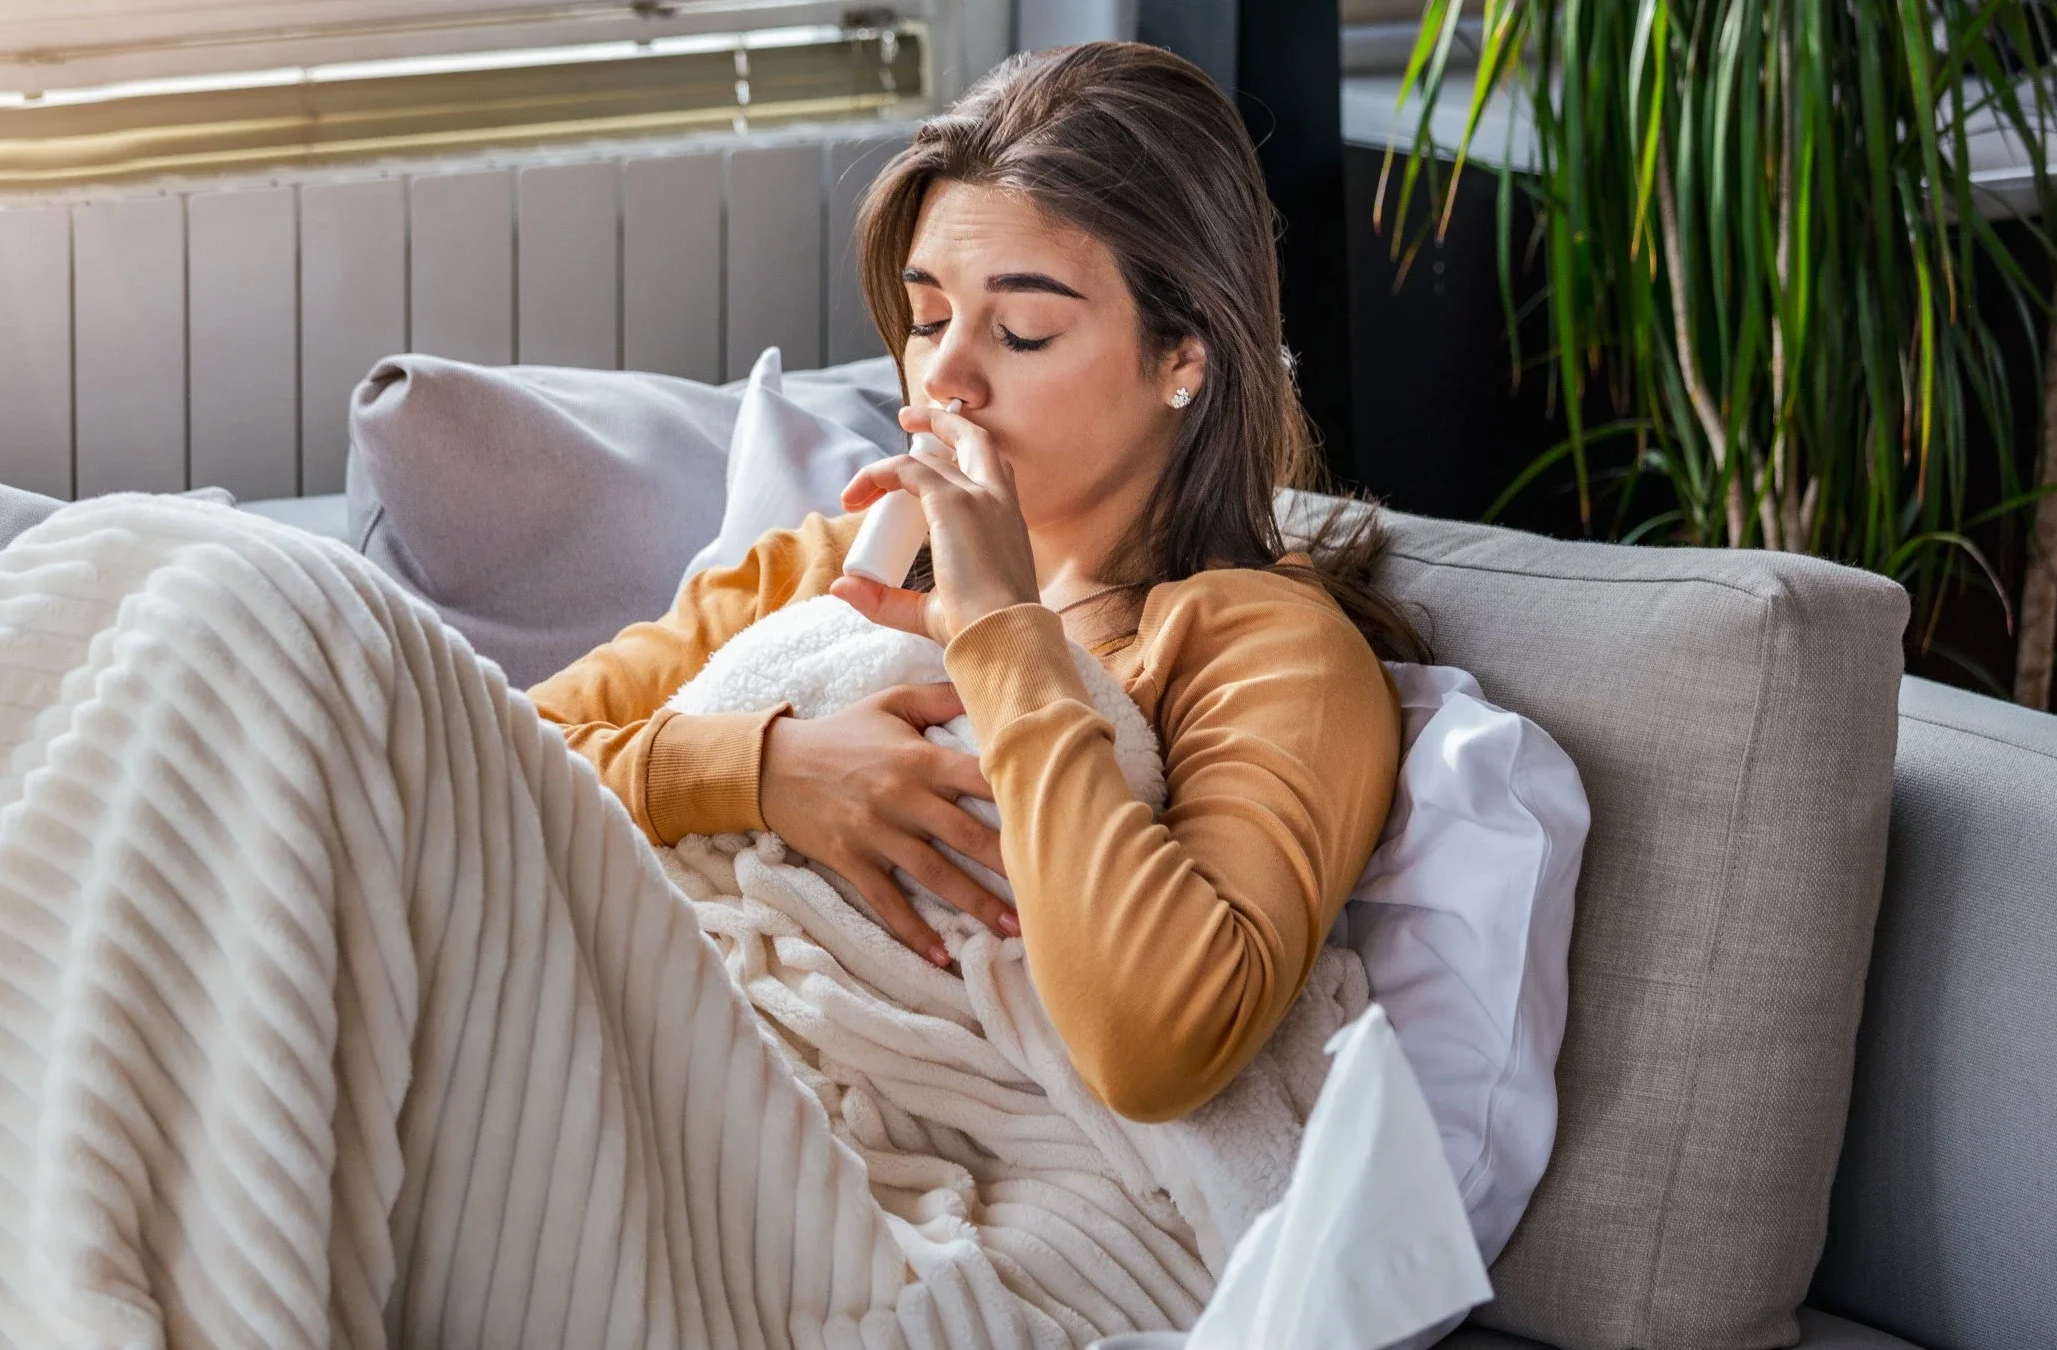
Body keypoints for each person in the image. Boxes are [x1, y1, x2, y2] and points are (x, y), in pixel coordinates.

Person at [528, 40, 1425, 1126]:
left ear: (1183, 355)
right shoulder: (826, 569)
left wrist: (1005, 631)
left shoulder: (1262, 650)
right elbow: (483, 757)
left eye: (1021, 329)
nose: (943, 377)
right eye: (928, 319)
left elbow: (1157, 1049)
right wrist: (767, 769)